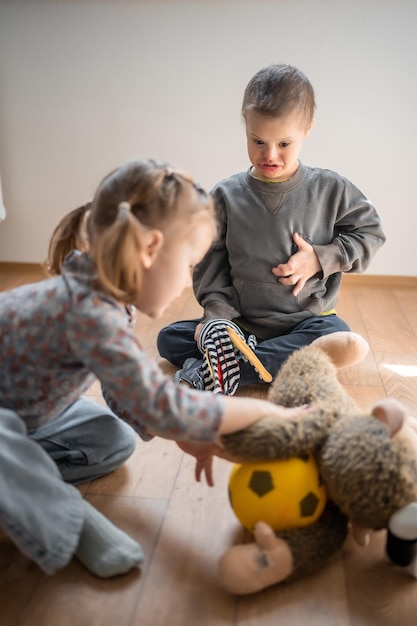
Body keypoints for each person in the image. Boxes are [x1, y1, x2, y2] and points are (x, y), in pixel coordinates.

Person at [0, 158, 311, 579]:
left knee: (112, 436)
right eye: (187, 267)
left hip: (24, 417)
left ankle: (22, 485)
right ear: (149, 249)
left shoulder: (107, 299)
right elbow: (164, 403)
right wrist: (270, 412)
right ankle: (64, 519)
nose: (188, 283)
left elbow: (128, 393)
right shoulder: (87, 311)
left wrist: (185, 433)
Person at [157, 64, 386, 392]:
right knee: (170, 339)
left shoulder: (331, 189)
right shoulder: (225, 196)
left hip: (307, 322)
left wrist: (321, 258)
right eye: (258, 141)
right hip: (242, 324)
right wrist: (217, 315)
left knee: (338, 336)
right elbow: (210, 264)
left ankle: (220, 370)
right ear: (246, 128)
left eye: (284, 143)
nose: (270, 154)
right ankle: (253, 362)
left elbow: (371, 234)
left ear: (307, 129)